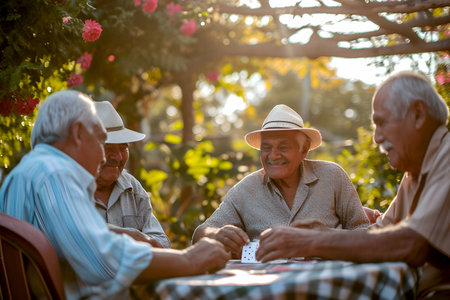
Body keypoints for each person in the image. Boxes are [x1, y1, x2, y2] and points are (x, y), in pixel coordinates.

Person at [0, 90, 230, 299]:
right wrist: (189, 259)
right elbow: (102, 261)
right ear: (78, 133)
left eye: (122, 148)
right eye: (102, 141)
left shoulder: (32, 171)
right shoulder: (53, 173)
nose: (105, 158)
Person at [255, 71, 449, 299]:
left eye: (382, 123)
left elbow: (411, 244)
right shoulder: (415, 171)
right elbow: (382, 233)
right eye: (267, 147)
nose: (376, 138)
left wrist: (315, 240)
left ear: (418, 114)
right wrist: (321, 234)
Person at [192, 104, 369, 257]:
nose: (273, 155)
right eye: (266, 148)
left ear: (304, 149)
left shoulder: (331, 176)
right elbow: (201, 232)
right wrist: (216, 235)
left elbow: (363, 232)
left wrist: (322, 238)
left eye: (283, 147)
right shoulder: (246, 190)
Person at [94, 101, 170, 248]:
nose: (117, 157)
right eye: (108, 147)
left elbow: (163, 242)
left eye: (123, 148)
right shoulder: (71, 188)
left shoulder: (132, 187)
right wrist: (130, 237)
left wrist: (141, 240)